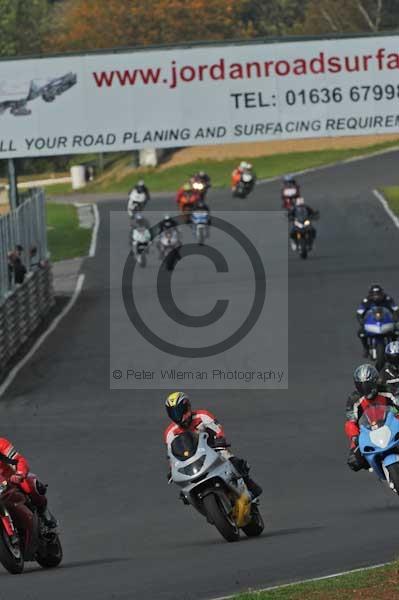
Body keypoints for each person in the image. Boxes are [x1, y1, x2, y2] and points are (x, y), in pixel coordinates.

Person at [164, 392, 262, 500]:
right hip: (191, 461)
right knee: (184, 494)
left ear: (188, 407)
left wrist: (220, 440)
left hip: (213, 450)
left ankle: (250, 486)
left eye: (180, 412)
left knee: (234, 462)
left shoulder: (203, 416)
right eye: (174, 413)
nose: (179, 417)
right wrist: (172, 469)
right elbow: (171, 455)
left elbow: (218, 431)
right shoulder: (170, 433)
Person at [345, 364, 399, 472]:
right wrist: (354, 437)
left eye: (368, 385)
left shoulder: (387, 390)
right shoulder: (354, 400)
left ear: (375, 381)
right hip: (368, 431)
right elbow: (350, 421)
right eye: (362, 386)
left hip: (391, 424)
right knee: (354, 461)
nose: (366, 389)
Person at [0, 437, 57, 529]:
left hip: (9, 481)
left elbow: (18, 460)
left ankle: (44, 513)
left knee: (29, 484)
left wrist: (19, 474)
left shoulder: (1, 443)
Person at [357, 285, 399, 357]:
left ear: (382, 294)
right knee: (361, 333)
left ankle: (394, 347)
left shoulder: (388, 299)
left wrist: (395, 319)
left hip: (386, 322)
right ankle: (366, 348)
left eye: (378, 294)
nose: (376, 297)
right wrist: (361, 321)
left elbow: (395, 309)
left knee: (396, 332)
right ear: (370, 295)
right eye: (374, 295)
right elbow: (360, 313)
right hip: (372, 322)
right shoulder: (366, 301)